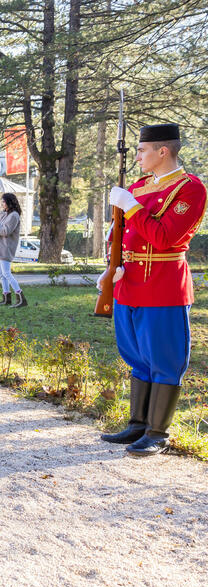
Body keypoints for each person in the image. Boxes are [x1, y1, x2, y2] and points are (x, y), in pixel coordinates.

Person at [99, 123, 206, 457]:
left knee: (163, 357)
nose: (138, 156)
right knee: (136, 357)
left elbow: (164, 237)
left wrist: (130, 206)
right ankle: (137, 424)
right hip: (127, 284)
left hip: (162, 286)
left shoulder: (191, 189)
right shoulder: (139, 187)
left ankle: (158, 432)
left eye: (143, 150)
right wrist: (111, 265)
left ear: (163, 151)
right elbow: (120, 234)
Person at [0, 193, 27, 307]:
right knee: (1, 274)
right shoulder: (4, 214)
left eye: (4, 201)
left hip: (6, 247)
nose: (2, 204)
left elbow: (5, 231)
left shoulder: (14, 216)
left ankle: (21, 298)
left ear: (10, 202)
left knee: (6, 273)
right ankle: (6, 298)